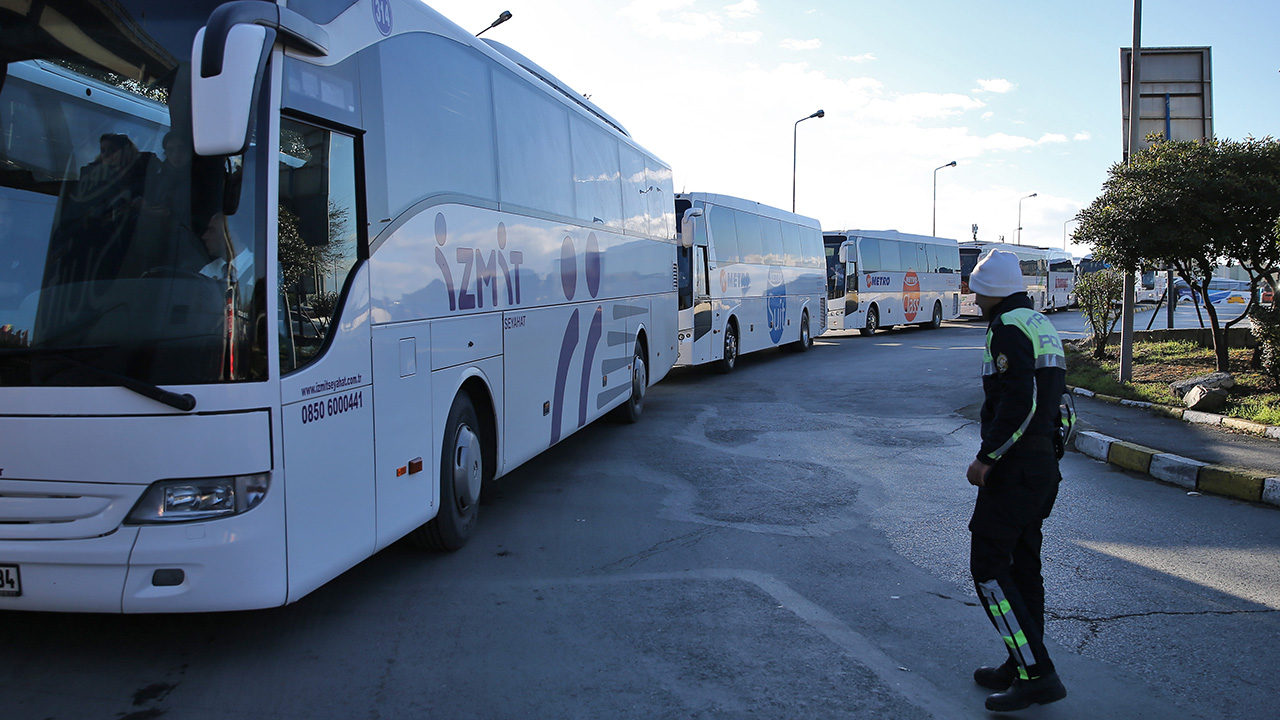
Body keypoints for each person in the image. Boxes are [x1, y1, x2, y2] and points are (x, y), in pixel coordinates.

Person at [964, 249, 1069, 712]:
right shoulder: (1038, 321)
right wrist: (1049, 454)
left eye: (976, 288)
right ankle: (1023, 661)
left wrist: (989, 458)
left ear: (989, 292)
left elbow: (1020, 400)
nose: (972, 295)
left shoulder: (1007, 327)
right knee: (1023, 566)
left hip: (1016, 468)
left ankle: (1037, 674)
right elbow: (1061, 405)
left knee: (988, 565)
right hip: (1040, 465)